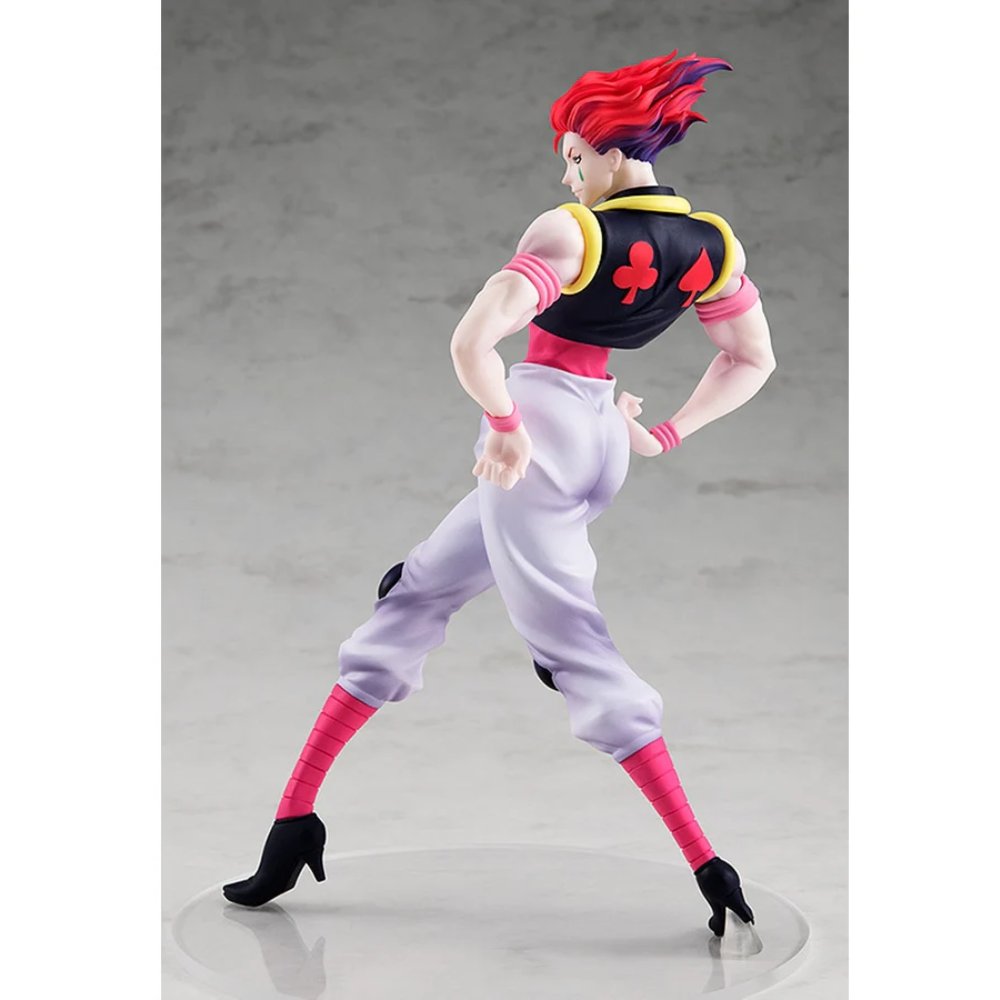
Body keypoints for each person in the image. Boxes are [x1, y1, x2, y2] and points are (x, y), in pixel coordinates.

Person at [223, 52, 776, 938]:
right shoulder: (714, 243)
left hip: (540, 430)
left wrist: (507, 424)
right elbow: (752, 358)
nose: (569, 175)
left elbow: (471, 343)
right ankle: (294, 823)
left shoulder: (571, 232)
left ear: (607, 152)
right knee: (413, 595)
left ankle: (709, 864)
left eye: (574, 158)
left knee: (577, 654)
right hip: (597, 430)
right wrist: (663, 433)